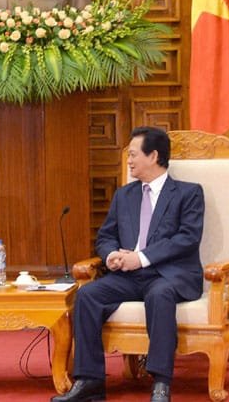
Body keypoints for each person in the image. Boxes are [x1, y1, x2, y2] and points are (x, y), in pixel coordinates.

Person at [53, 127, 205, 402]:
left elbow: (188, 238)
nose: (129, 161)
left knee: (159, 295)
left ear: (154, 155)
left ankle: (161, 382)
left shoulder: (188, 193)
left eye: (134, 154)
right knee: (87, 295)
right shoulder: (124, 195)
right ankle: (89, 381)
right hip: (127, 276)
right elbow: (106, 236)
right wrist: (111, 254)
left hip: (168, 275)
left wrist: (142, 257)